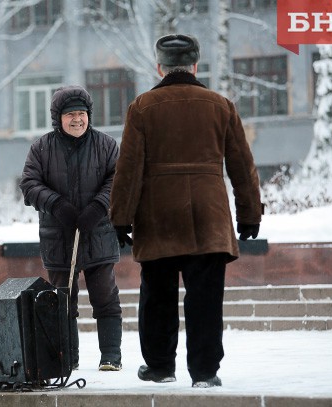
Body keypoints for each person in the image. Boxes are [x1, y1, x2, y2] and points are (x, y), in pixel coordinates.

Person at [109, 34, 263, 387]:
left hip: (158, 216)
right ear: (195, 66)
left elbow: (128, 168)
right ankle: (205, 372)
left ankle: (161, 367)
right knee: (206, 298)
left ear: (159, 67)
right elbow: (242, 164)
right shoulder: (221, 105)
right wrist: (250, 213)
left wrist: (120, 217)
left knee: (158, 296)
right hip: (209, 216)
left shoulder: (142, 107)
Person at [19, 85, 123, 371]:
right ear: (58, 117)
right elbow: (29, 185)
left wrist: (99, 206)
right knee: (63, 301)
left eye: (82, 113)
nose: (77, 119)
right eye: (70, 114)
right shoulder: (42, 148)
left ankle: (111, 356)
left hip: (98, 232)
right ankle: (68, 359)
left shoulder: (106, 145)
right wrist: (57, 205)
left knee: (105, 297)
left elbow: (119, 180)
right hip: (59, 236)